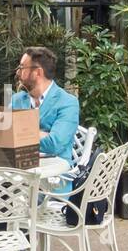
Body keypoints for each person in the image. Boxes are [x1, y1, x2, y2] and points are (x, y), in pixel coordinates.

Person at [9, 47, 79, 193]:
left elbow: (55, 144)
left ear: (37, 72)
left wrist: (21, 134)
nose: (18, 72)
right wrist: (41, 134)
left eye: (22, 67)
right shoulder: (17, 100)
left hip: (53, 183)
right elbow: (4, 137)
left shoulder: (67, 102)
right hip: (17, 182)